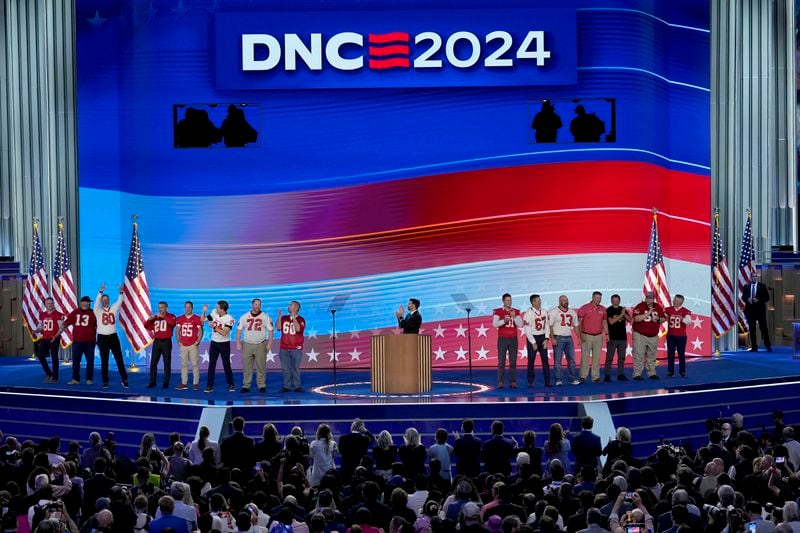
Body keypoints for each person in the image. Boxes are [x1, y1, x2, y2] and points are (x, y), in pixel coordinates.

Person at [93, 283, 129, 388]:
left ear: (109, 300)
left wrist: (121, 292)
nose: (105, 301)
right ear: (101, 301)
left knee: (119, 359)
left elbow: (119, 301)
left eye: (106, 299)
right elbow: (95, 303)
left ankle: (124, 379)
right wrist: (100, 292)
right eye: (103, 299)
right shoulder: (97, 310)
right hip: (102, 338)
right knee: (104, 361)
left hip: (113, 337)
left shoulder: (113, 308)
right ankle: (105, 381)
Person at [236, 298, 274, 394]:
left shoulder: (265, 316)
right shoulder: (244, 316)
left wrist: (269, 343)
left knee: (261, 366)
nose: (257, 306)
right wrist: (238, 342)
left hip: (260, 344)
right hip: (247, 344)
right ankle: (246, 385)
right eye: (256, 304)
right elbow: (239, 330)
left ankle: (261, 385)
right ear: (252, 305)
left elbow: (270, 330)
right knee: (247, 366)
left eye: (259, 304)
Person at [58, 295, 97, 385]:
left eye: (88, 302)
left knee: (90, 360)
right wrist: (62, 326)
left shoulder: (93, 313)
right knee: (76, 361)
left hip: (90, 341)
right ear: (81, 302)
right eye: (85, 302)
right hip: (77, 341)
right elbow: (67, 322)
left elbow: (98, 325)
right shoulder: (75, 312)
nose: (87, 303)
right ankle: (76, 379)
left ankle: (89, 379)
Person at [631, 291, 666, 380]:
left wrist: (658, 319)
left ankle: (652, 373)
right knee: (638, 354)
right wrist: (647, 313)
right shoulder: (640, 306)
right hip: (640, 334)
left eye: (650, 298)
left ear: (653, 299)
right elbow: (636, 318)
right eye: (647, 298)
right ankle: (637, 373)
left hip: (653, 335)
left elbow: (663, 319)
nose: (648, 300)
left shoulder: (658, 307)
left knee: (652, 355)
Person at [548, 295, 581, 386]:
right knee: (558, 361)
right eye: (563, 300)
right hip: (558, 337)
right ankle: (558, 379)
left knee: (572, 360)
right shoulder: (553, 312)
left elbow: (576, 326)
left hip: (569, 338)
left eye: (567, 300)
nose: (566, 301)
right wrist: (553, 338)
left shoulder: (572, 312)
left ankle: (572, 378)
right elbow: (550, 326)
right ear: (559, 301)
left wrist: (579, 337)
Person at [204, 300, 236, 393]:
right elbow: (203, 320)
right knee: (211, 365)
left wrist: (214, 327)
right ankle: (209, 386)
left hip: (224, 344)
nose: (216, 308)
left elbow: (224, 332)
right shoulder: (214, 313)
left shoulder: (229, 319)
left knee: (226, 365)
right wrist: (204, 311)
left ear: (222, 309)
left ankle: (231, 384)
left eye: (218, 307)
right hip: (214, 343)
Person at [492, 294, 523, 389]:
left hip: (513, 339)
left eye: (510, 300)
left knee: (513, 361)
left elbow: (520, 324)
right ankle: (500, 382)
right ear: (503, 301)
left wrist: (514, 317)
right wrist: (504, 321)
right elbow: (494, 324)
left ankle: (513, 382)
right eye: (507, 300)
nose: (509, 302)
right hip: (502, 339)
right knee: (501, 361)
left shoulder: (516, 311)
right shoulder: (498, 311)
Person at [577, 292, 608, 384]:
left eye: (600, 298)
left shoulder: (603, 309)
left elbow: (604, 322)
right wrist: (581, 335)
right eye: (597, 298)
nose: (598, 300)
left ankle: (595, 376)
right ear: (592, 298)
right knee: (585, 357)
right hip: (586, 335)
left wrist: (607, 334)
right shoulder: (584, 308)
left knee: (597, 357)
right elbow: (579, 323)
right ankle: (583, 376)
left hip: (598, 336)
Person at [145, 301, 177, 389]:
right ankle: (152, 382)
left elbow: (172, 323)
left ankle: (166, 382)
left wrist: (163, 316)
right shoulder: (156, 318)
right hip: (156, 342)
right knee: (153, 363)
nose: (160, 309)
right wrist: (149, 319)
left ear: (166, 308)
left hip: (166, 342)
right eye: (159, 307)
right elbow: (146, 326)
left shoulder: (171, 316)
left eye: (162, 307)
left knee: (167, 363)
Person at [277, 300, 306, 393]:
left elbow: (298, 329)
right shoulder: (284, 318)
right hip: (284, 347)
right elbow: (278, 327)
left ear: (296, 308)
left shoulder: (301, 320)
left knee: (295, 368)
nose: (288, 307)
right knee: (286, 368)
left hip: (296, 348)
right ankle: (287, 386)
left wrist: (293, 317)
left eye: (290, 305)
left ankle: (297, 386)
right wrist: (279, 316)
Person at [522, 294, 551, 387]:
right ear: (533, 302)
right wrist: (533, 342)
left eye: (540, 300)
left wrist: (546, 338)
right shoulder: (528, 313)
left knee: (545, 360)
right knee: (531, 361)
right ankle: (530, 381)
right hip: (533, 337)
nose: (540, 302)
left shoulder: (544, 312)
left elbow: (547, 325)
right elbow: (527, 329)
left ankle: (547, 381)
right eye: (538, 301)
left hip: (542, 337)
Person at [33, 297, 63, 384]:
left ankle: (55, 377)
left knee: (54, 358)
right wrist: (37, 330)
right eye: (48, 303)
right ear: (45, 305)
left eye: (51, 303)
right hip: (45, 338)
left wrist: (55, 336)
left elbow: (61, 328)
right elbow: (41, 326)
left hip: (54, 338)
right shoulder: (42, 314)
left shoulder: (58, 314)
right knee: (41, 355)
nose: (50, 305)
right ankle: (49, 373)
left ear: (53, 304)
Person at [665, 294, 693, 377]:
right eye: (674, 299)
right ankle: (670, 371)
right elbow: (664, 317)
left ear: (680, 302)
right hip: (670, 335)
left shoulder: (685, 311)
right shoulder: (668, 310)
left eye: (675, 300)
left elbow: (689, 321)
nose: (673, 301)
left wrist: (682, 319)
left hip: (681, 336)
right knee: (670, 353)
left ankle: (682, 371)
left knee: (681, 353)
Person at [743, 273, 772, 352]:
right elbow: (743, 297)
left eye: (755, 276)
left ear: (757, 277)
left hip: (760, 311)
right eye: (753, 276)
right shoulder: (746, 286)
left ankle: (768, 346)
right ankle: (754, 347)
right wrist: (747, 299)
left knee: (763, 328)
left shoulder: (762, 286)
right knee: (752, 329)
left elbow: (767, 298)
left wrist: (759, 300)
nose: (754, 278)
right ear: (751, 277)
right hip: (750, 311)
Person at [604, 294, 630, 382]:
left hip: (622, 337)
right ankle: (607, 375)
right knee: (609, 357)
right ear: (611, 301)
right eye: (614, 300)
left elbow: (631, 320)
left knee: (622, 357)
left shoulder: (622, 309)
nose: (615, 301)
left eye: (617, 300)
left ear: (619, 300)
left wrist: (625, 314)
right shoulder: (609, 310)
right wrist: (621, 315)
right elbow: (611, 322)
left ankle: (620, 374)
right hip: (613, 338)